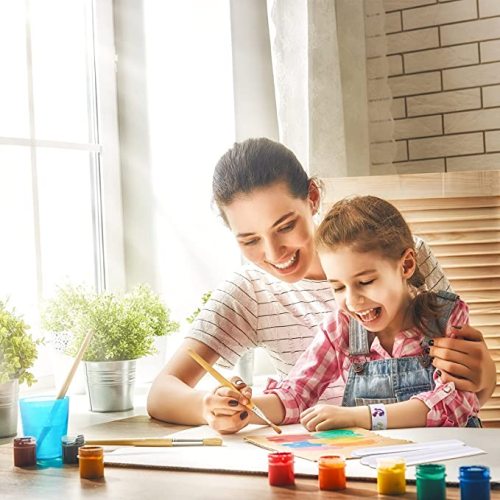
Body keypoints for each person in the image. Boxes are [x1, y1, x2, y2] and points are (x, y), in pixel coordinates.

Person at [147, 138, 495, 431]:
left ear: (312, 197)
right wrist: (218, 408)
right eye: (250, 239)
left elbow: (470, 394)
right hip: (351, 459)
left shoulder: (404, 255)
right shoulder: (253, 293)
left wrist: (483, 374)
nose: (274, 252)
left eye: (284, 226)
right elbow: (162, 393)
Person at [213, 196, 481, 433]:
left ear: (407, 265)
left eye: (365, 282)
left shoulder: (445, 317)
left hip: (446, 464)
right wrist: (244, 409)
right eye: (338, 287)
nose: (352, 301)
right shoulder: (340, 327)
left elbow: (454, 403)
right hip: (377, 464)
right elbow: (296, 394)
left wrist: (360, 417)